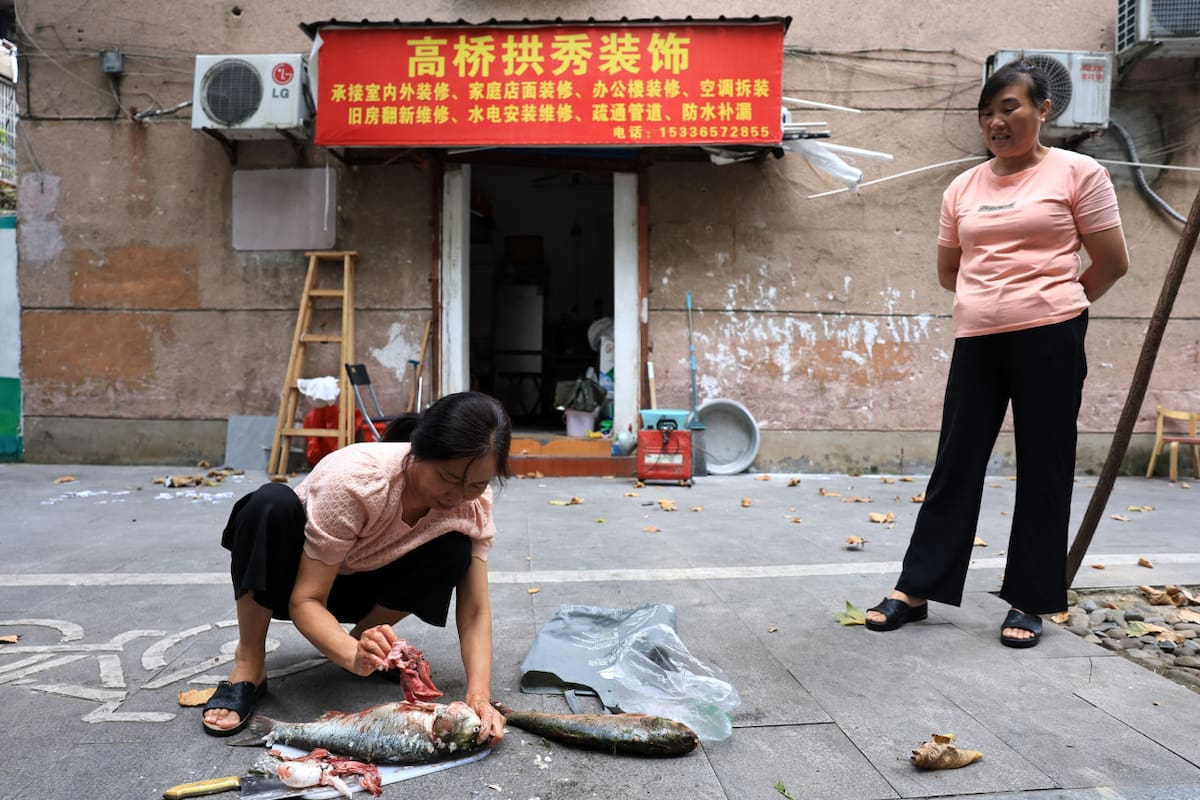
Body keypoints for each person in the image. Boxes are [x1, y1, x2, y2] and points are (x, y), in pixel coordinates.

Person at [864, 60, 1129, 648]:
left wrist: (1057, 302)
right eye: (987, 113)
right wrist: (994, 300)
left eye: (1009, 107)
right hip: (978, 338)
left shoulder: (1079, 173)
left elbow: (1112, 261)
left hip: (1051, 336)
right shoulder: (963, 187)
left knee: (1045, 462)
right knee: (956, 460)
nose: (997, 121)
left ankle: (1030, 598)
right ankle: (917, 587)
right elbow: (948, 270)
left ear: (1044, 110)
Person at [202, 391, 511, 743]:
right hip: (296, 582)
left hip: (366, 586)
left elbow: (474, 611)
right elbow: (306, 600)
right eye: (449, 477)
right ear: (418, 450)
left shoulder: (472, 504)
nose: (458, 495)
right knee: (267, 505)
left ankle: (368, 640)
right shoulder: (361, 479)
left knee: (456, 546)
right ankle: (249, 663)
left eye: (478, 483)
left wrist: (478, 696)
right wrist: (351, 658)